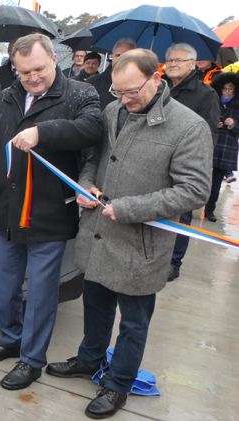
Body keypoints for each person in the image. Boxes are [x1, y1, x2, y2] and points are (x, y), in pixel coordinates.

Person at [48, 48, 212, 420]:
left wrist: (128, 208)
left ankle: (118, 383)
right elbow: (93, 159)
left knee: (134, 321)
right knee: (95, 306)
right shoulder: (112, 112)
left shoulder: (188, 127)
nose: (124, 100)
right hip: (99, 234)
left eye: (131, 92)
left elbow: (194, 190)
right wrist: (86, 185)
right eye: (117, 92)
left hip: (141, 245)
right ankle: (89, 360)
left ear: (157, 78)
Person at [0, 33, 104, 390]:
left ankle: (31, 359)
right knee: (6, 283)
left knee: (42, 291)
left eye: (39, 69)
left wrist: (42, 131)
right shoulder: (6, 96)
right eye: (23, 71)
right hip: (7, 207)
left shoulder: (79, 94)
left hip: (48, 213)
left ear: (54, 60)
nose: (32, 77)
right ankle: (10, 338)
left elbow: (92, 128)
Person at [161, 43, 220, 282]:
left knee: (181, 216)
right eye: (170, 60)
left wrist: (197, 167)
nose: (172, 64)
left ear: (193, 64)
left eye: (179, 60)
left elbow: (209, 134)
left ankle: (174, 262)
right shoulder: (159, 86)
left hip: (184, 165)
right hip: (155, 160)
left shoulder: (206, 94)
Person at [205, 73, 239, 221]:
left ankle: (210, 209)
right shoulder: (213, 102)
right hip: (209, 144)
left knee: (217, 181)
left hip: (226, 147)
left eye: (230, 89)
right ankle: (191, 207)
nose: (227, 91)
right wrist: (213, 124)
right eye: (225, 88)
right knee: (201, 177)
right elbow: (201, 120)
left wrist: (233, 124)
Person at [86, 38, 136, 111]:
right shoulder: (92, 84)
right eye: (118, 55)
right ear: (112, 57)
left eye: (126, 56)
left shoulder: (142, 85)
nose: (121, 59)